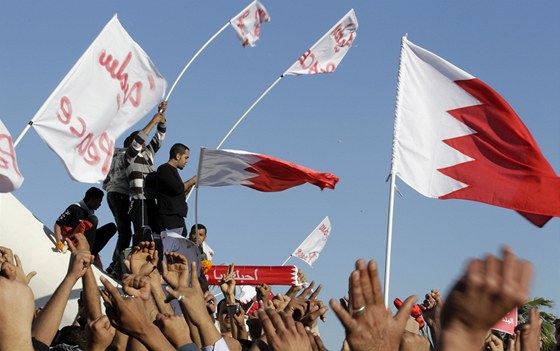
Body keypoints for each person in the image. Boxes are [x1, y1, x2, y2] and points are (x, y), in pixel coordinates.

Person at [126, 101, 167, 244]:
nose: (145, 142)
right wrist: (152, 121)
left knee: (156, 234)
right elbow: (137, 142)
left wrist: (161, 118)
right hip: (139, 200)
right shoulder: (129, 157)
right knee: (142, 234)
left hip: (151, 199)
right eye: (141, 139)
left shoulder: (147, 154)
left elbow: (159, 139)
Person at [53, 187, 116, 268]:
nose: (100, 205)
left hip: (85, 240)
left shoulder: (90, 212)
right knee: (93, 220)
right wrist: (58, 242)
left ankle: (93, 253)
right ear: (92, 199)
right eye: (99, 202)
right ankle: (87, 252)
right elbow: (58, 224)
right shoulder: (74, 208)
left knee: (111, 227)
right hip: (73, 241)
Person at [102, 134, 135, 279]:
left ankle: (116, 263)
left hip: (111, 193)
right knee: (125, 232)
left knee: (124, 230)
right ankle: (116, 264)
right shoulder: (128, 156)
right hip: (121, 194)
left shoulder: (114, 154)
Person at [156, 143, 196, 237]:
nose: (187, 161)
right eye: (186, 157)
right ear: (178, 156)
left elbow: (179, 191)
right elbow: (177, 188)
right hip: (169, 217)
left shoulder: (173, 171)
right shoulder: (164, 169)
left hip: (178, 217)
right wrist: (192, 181)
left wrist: (191, 185)